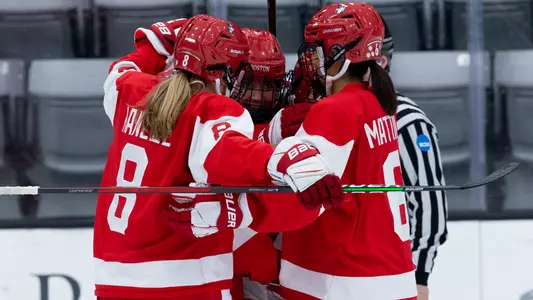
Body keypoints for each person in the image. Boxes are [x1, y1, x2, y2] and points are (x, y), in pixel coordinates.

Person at [93, 14, 342, 300]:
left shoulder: (130, 91)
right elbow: (226, 153)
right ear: (224, 74)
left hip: (112, 281)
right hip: (186, 283)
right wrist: (285, 158)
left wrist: (166, 37)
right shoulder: (211, 108)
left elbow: (122, 69)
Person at [276, 2, 417, 299]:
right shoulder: (382, 104)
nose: (310, 58)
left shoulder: (336, 109)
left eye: (317, 48)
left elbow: (298, 195)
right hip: (392, 273)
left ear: (340, 53)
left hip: (340, 279)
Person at [377, 14, 449, 300]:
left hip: (392, 273)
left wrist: (419, 276)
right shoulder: (326, 114)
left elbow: (430, 205)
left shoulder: (407, 121)